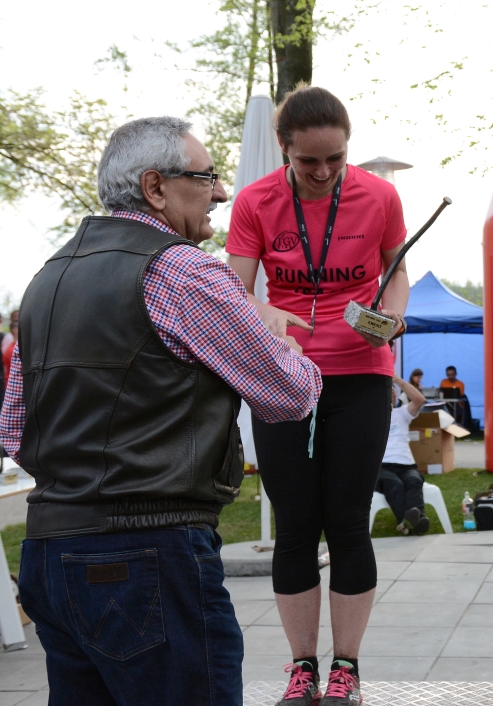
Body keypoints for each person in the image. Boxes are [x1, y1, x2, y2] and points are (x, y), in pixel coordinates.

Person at [0, 116, 321, 705]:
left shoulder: (45, 280)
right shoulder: (183, 270)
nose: (221, 192)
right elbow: (289, 395)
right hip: (150, 552)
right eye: (206, 176)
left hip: (50, 550)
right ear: (155, 187)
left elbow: (14, 430)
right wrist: (287, 348)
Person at [225, 85, 410, 706]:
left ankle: (346, 668)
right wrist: (265, 312)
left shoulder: (379, 196)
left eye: (336, 159)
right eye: (309, 162)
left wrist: (392, 314)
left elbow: (398, 271)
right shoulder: (255, 201)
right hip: (283, 375)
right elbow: (236, 290)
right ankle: (302, 667)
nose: (324, 172)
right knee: (297, 525)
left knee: (348, 520)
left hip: (360, 371)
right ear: (284, 148)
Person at [377, 374, 431, 534]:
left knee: (414, 480)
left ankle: (412, 522)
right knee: (395, 485)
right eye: (390, 392)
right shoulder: (371, 416)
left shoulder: (401, 413)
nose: (393, 395)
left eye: (395, 392)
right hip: (381, 466)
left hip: (407, 465)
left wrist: (397, 380)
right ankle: (413, 521)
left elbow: (419, 400)